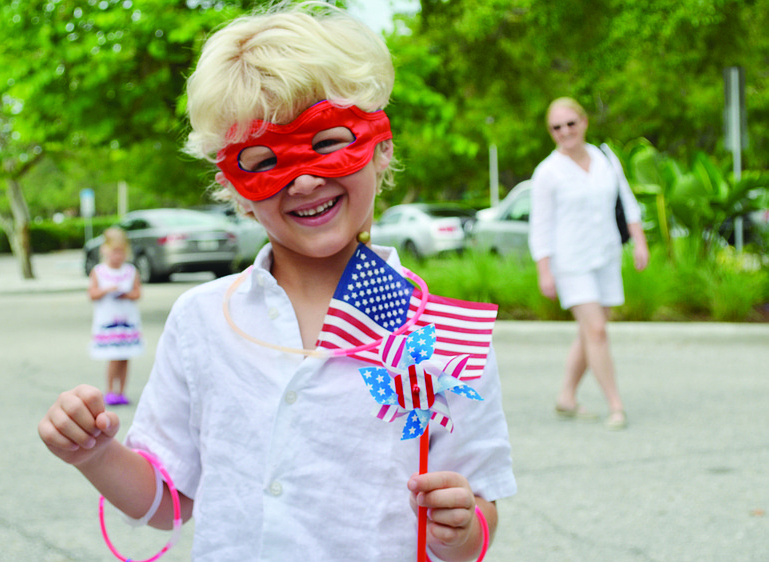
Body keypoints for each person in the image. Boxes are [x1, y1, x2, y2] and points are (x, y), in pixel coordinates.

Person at [39, 3, 516, 561]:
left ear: (380, 146)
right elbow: (170, 501)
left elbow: (479, 504)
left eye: (329, 142)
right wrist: (94, 454)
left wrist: (461, 529)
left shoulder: (439, 333)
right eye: (263, 160)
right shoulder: (202, 320)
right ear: (234, 188)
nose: (306, 179)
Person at [528, 97, 649, 430]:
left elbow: (627, 201)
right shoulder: (547, 172)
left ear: (584, 122)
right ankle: (616, 405)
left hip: (606, 256)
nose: (565, 131)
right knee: (596, 330)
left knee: (589, 332)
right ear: (550, 132)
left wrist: (640, 242)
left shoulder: (604, 157)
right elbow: (540, 226)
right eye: (557, 127)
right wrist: (544, 270)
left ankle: (566, 396)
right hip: (571, 262)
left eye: (571, 123)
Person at [87, 226, 143, 406]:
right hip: (108, 320)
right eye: (114, 252)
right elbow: (92, 294)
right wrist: (106, 290)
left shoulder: (131, 271)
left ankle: (122, 392)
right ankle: (110, 390)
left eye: (121, 252)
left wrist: (125, 293)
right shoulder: (99, 271)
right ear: (106, 251)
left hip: (127, 321)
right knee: (113, 356)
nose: (117, 256)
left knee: (125, 357)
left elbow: (137, 293)